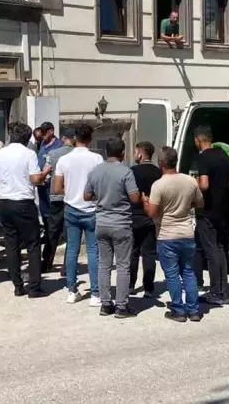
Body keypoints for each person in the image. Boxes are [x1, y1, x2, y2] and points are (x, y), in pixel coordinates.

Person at [0, 123, 51, 298]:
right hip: (23, 201)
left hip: (5, 201)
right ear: (27, 137)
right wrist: (45, 173)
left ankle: (18, 285)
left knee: (11, 244)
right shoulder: (29, 154)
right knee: (33, 244)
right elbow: (35, 179)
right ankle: (34, 287)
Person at [145, 146, 204, 322]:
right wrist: (184, 206)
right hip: (186, 232)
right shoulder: (190, 181)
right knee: (188, 272)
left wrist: (145, 202)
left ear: (161, 163)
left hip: (166, 234)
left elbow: (152, 213)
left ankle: (178, 310)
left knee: (172, 274)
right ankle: (193, 310)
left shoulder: (159, 185)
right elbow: (199, 203)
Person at [84, 138, 140, 318]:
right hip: (121, 222)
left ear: (106, 152)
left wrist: (101, 197)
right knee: (123, 265)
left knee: (104, 264)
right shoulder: (126, 172)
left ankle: (106, 303)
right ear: (122, 153)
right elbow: (134, 198)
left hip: (101, 222)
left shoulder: (95, 172)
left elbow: (86, 195)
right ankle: (122, 306)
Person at [54, 123, 104, 306]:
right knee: (93, 251)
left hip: (71, 207)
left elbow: (57, 188)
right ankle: (95, 293)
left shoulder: (64, 160)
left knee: (72, 250)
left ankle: (72, 290)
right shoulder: (97, 159)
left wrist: (72, 190)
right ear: (90, 139)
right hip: (91, 208)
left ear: (75, 138)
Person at [193, 125, 229, 306]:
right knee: (221, 250)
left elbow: (204, 185)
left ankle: (216, 292)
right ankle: (223, 290)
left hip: (208, 211)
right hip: (224, 211)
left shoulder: (203, 158)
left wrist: (193, 183)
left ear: (198, 140)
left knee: (211, 251)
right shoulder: (222, 154)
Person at [129, 141, 162, 297]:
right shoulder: (158, 173)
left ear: (140, 154)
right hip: (152, 215)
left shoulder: (132, 171)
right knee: (149, 253)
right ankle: (148, 288)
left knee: (133, 252)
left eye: (136, 153)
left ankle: (130, 285)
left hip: (134, 215)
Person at [41, 127, 75, 273]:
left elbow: (45, 175)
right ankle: (67, 266)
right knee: (71, 233)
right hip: (74, 198)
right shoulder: (79, 155)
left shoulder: (53, 154)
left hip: (56, 198)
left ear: (63, 139)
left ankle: (47, 262)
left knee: (52, 230)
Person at [37, 122, 63, 231]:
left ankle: (55, 235)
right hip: (42, 183)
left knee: (53, 210)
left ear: (51, 131)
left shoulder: (59, 145)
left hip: (52, 183)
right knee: (44, 209)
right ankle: (47, 234)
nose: (42, 135)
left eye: (44, 132)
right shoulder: (42, 143)